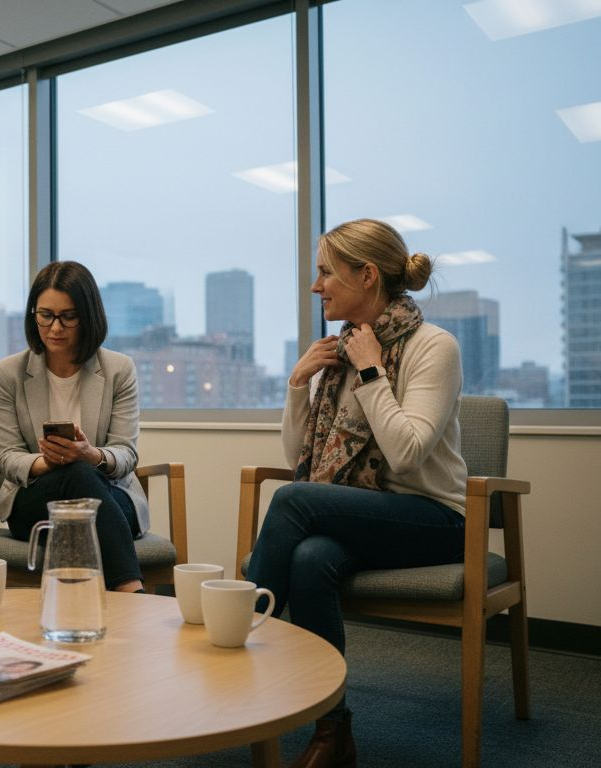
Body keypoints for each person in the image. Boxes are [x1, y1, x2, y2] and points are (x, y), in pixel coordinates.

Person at [246, 219, 468, 768]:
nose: (315, 286)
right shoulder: (341, 351)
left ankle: (234, 647)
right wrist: (298, 384)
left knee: (293, 500)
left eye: (326, 272)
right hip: (359, 517)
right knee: (310, 557)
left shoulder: (433, 347)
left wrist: (371, 371)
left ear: (367, 275)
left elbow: (407, 453)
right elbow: (300, 457)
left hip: (433, 519)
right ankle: (333, 730)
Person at [0, 260, 149, 593]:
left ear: (88, 316)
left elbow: (126, 453)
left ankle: (80, 607)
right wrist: (48, 462)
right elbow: (6, 457)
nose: (55, 328)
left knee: (82, 476)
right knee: (75, 475)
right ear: (33, 314)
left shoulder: (119, 370)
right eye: (45, 315)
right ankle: (131, 593)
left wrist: (90, 455)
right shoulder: (8, 373)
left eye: (68, 316)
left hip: (109, 492)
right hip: (35, 499)